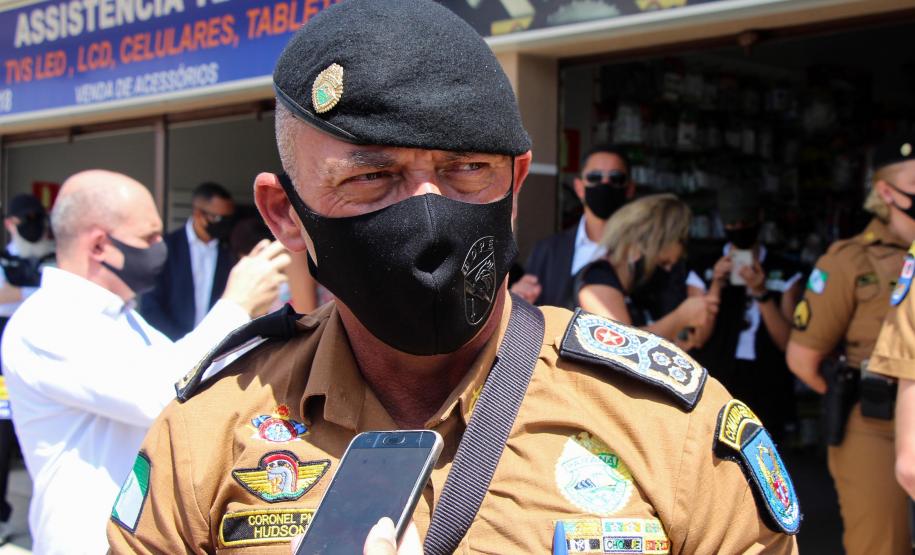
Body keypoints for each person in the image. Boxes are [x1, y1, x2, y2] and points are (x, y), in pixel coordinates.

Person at [107, 2, 799, 553]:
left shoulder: (662, 422)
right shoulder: (207, 429)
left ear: (516, 183)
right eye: (372, 177)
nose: (427, 215)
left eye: (467, 169)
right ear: (285, 214)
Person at [1, 170, 290, 555]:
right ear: (101, 245)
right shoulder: (46, 321)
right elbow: (160, 394)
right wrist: (236, 305)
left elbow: (196, 380)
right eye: (148, 238)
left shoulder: (124, 317)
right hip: (86, 540)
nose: (161, 247)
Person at [786, 135, 914, 555]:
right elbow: (803, 358)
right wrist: (858, 392)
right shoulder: (849, 261)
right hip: (876, 426)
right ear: (885, 191)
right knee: (880, 545)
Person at [692, 186, 803, 443]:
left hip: (767, 377)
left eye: (745, 222)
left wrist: (761, 293)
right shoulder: (703, 268)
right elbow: (696, 337)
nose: (738, 228)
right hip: (717, 373)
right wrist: (716, 286)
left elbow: (788, 343)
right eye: (731, 223)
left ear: (759, 219)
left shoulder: (785, 271)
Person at [575, 194, 717, 342]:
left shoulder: (632, 292)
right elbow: (621, 345)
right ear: (645, 246)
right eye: (663, 263)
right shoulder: (598, 280)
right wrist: (680, 318)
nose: (666, 272)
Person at [512, 145, 633, 307]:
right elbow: (530, 309)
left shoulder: (643, 252)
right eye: (595, 177)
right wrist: (518, 301)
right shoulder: (547, 250)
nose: (605, 184)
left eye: (616, 178)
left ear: (629, 188)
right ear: (579, 187)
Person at [0, 194, 56, 543]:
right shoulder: (5, 259)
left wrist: (18, 292)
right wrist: (38, 292)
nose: (36, 226)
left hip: (48, 364)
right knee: (2, 441)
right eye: (27, 220)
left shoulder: (54, 260)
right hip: (3, 372)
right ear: (11, 224)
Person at [140, 182, 236, 340]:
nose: (224, 224)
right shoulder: (166, 248)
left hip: (218, 350)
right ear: (198, 214)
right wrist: (181, 345)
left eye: (228, 219)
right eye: (218, 218)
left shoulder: (230, 251)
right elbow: (151, 306)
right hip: (171, 346)